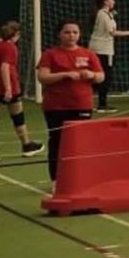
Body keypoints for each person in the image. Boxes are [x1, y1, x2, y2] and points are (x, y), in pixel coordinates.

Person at [34, 20, 103, 183]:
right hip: (56, 106)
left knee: (81, 142)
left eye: (75, 32)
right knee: (57, 142)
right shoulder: (50, 54)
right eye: (67, 32)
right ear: (59, 34)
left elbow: (101, 76)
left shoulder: (88, 54)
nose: (71, 35)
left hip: (82, 104)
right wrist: (64, 75)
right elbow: (42, 77)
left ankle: (80, 178)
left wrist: (92, 75)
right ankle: (56, 180)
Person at [0, 21, 41, 163]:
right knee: (18, 117)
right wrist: (8, 89)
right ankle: (26, 145)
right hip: (9, 85)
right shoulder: (10, 47)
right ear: (17, 34)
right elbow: (4, 67)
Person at [87, 0, 129, 111]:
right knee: (104, 77)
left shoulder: (106, 14)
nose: (114, 1)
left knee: (99, 76)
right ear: (105, 1)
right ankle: (102, 104)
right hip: (103, 50)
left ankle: (91, 102)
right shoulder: (103, 14)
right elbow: (112, 32)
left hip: (99, 48)